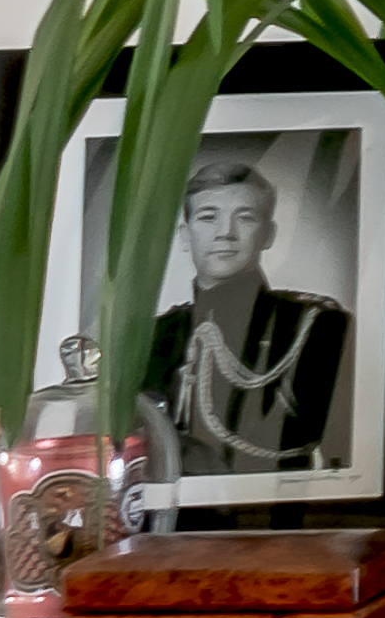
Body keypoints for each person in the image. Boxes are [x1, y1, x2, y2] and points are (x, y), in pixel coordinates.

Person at [140, 139, 353, 482]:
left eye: (245, 218)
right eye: (209, 217)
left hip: (280, 514)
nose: (226, 233)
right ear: (185, 235)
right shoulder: (153, 338)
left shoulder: (318, 327)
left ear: (267, 234)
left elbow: (345, 457)